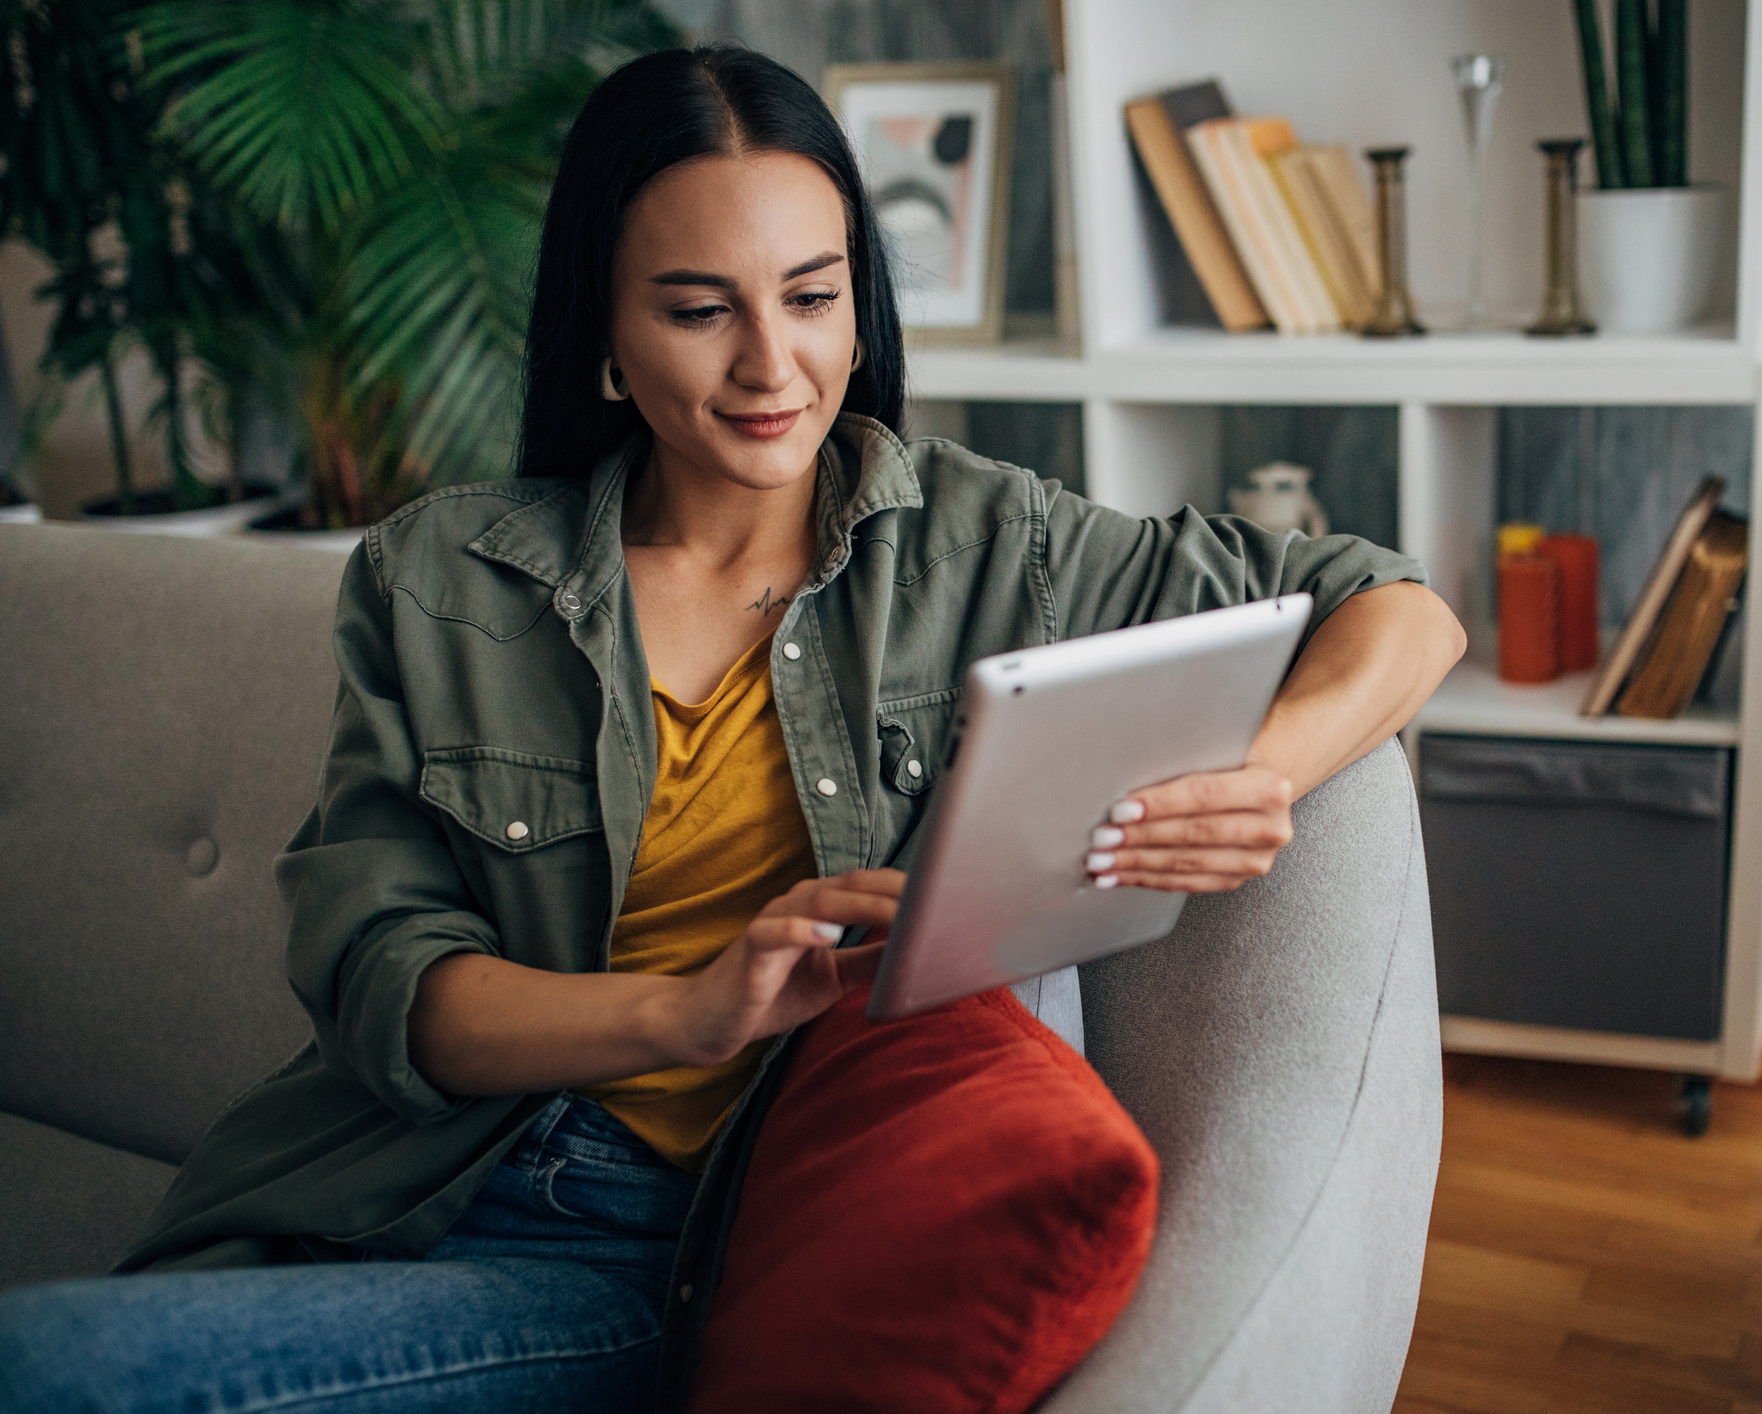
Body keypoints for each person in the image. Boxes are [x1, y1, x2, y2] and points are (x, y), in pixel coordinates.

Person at [0, 41, 1464, 1414]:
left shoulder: (980, 540)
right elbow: (382, 981)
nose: (772, 364)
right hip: (373, 1181)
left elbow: (1395, 604)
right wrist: (683, 1006)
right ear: (605, 337)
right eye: (700, 310)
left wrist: (1261, 777)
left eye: (813, 296)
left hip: (634, 1250)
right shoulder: (440, 575)